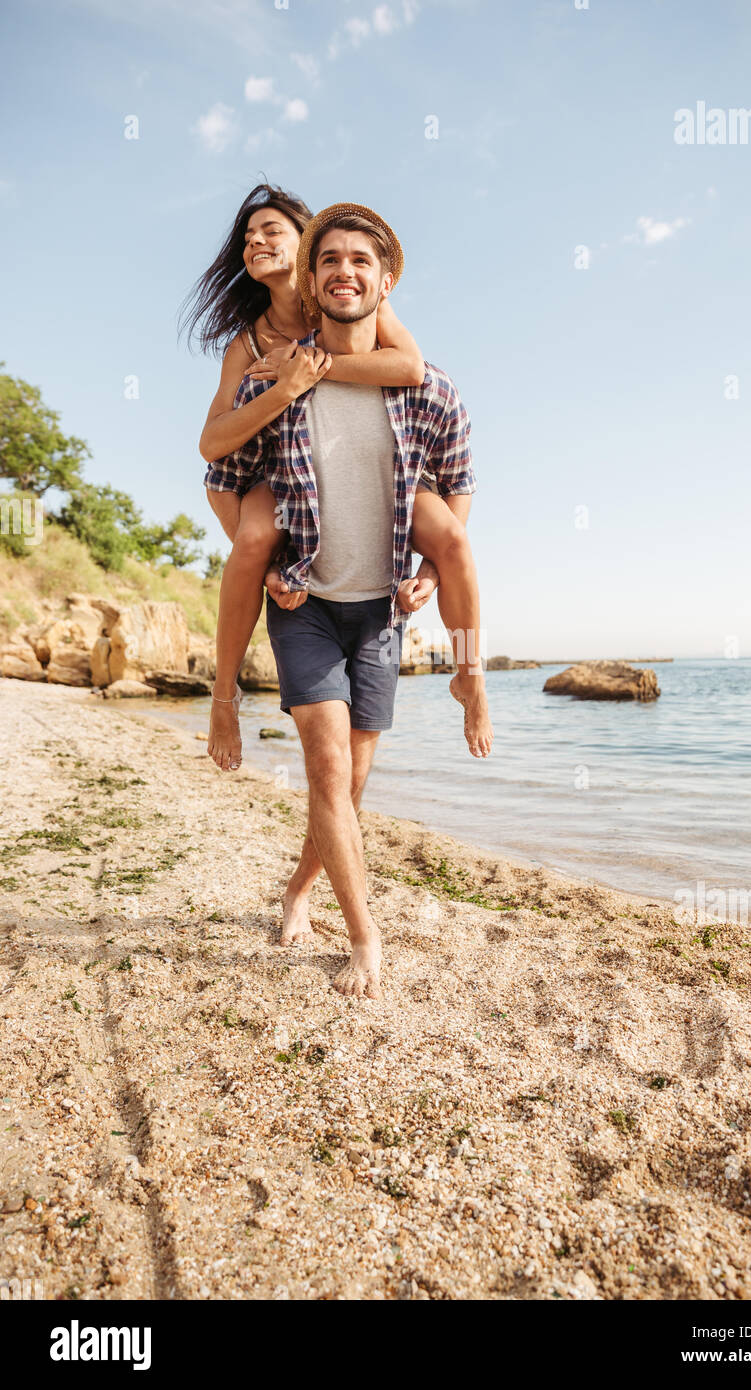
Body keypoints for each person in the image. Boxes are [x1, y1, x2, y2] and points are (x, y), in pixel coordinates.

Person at [216, 203, 485, 998]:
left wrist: (431, 576)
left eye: (360, 262)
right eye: (329, 259)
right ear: (312, 276)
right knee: (329, 771)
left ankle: (299, 889)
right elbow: (221, 468)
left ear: (384, 281)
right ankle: (366, 941)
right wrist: (256, 544)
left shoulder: (430, 389)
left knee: (351, 788)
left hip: (380, 613)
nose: (344, 271)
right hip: (304, 606)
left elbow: (459, 489)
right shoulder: (277, 377)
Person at [183, 184, 492, 771]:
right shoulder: (248, 344)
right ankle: (224, 695)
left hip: (388, 466)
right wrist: (286, 387)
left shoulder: (351, 287)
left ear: (302, 242)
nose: (255, 242)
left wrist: (317, 368)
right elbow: (213, 448)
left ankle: (471, 673)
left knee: (452, 540)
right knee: (251, 542)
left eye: (271, 230)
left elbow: (409, 368)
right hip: (286, 466)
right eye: (248, 237)